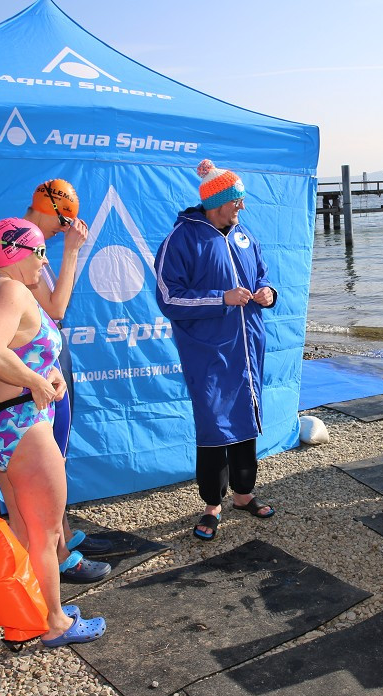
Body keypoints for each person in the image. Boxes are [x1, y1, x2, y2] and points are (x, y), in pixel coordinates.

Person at [0, 217, 106, 647]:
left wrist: (48, 375)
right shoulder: (11, 290)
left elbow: (17, 347)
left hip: (5, 422)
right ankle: (54, 623)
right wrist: (35, 381)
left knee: (25, 526)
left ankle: (31, 609)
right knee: (47, 532)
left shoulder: (1, 289)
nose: (43, 260)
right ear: (18, 252)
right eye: (40, 252)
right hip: (24, 425)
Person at [155, 159, 277, 541]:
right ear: (217, 202)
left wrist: (269, 294)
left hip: (247, 349)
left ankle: (244, 494)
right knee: (213, 426)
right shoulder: (182, 239)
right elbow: (168, 296)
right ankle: (212, 506)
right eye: (236, 201)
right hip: (208, 354)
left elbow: (263, 276)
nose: (241, 207)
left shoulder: (245, 236)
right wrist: (220, 298)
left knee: (245, 421)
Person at [23, 179, 113, 582]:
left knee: (56, 450)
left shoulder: (23, 238)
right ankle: (57, 552)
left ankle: (62, 534)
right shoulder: (24, 242)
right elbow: (56, 306)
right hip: (37, 362)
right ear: (52, 209)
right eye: (66, 222)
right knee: (49, 457)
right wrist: (73, 252)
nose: (66, 230)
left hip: (46, 354)